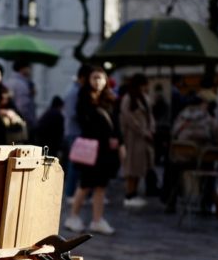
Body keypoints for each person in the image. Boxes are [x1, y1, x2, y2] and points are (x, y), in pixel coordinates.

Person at [63, 66, 119, 235]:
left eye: (101, 78)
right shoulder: (84, 98)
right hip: (90, 148)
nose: (98, 81)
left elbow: (115, 122)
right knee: (85, 184)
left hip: (105, 150)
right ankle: (73, 216)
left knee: (101, 186)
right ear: (88, 80)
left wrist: (116, 139)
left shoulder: (109, 98)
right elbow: (86, 123)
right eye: (94, 78)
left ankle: (97, 219)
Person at [118, 73, 155, 208]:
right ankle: (129, 193)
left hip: (143, 138)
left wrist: (151, 130)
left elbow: (150, 116)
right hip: (132, 138)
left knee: (140, 166)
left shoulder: (145, 98)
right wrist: (142, 130)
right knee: (131, 167)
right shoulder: (128, 99)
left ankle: (133, 193)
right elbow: (127, 118)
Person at [63, 64, 92, 200]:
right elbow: (71, 113)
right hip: (75, 132)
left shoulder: (77, 90)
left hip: (77, 132)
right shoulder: (74, 92)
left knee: (79, 164)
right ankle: (70, 193)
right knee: (75, 164)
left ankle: (75, 193)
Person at [4, 60, 37, 133]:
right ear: (23, 68)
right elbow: (23, 107)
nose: (30, 70)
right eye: (29, 67)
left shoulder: (7, 82)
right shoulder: (22, 85)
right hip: (21, 125)